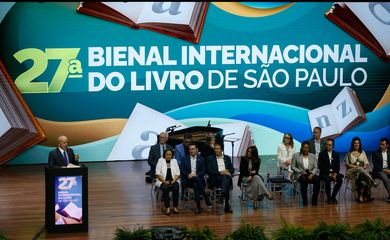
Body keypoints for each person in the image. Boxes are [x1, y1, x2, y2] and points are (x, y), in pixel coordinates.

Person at [238, 146, 273, 210]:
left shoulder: (257, 160)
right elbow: (242, 171)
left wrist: (251, 175)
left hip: (253, 177)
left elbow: (256, 171)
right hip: (244, 177)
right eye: (248, 151)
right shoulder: (243, 159)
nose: (248, 153)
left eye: (250, 152)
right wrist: (251, 173)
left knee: (256, 179)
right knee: (257, 178)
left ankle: (255, 201)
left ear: (254, 153)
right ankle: (266, 193)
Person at [180, 143, 212, 214]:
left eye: (193, 149)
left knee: (196, 184)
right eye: (190, 149)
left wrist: (195, 175)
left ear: (197, 150)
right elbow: (182, 170)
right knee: (195, 181)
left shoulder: (202, 159)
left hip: (198, 179)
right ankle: (205, 196)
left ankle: (198, 206)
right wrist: (189, 175)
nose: (191, 151)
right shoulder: (184, 159)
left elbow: (203, 171)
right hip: (188, 180)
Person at [345, 136, 375, 203]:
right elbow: (347, 165)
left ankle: (361, 196)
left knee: (362, 175)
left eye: (358, 143)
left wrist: (363, 167)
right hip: (352, 172)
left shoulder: (363, 152)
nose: (356, 144)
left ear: (360, 144)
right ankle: (372, 182)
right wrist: (357, 167)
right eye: (355, 143)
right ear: (353, 144)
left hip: (362, 172)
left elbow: (366, 163)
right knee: (360, 170)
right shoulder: (349, 154)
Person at [206, 143, 234, 213]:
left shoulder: (227, 158)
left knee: (226, 179)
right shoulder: (210, 158)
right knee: (226, 179)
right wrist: (220, 172)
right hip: (215, 178)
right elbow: (209, 171)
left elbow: (232, 169)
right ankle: (227, 205)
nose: (216, 150)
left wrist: (227, 170)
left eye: (218, 149)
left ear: (221, 150)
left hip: (225, 178)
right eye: (215, 149)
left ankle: (222, 196)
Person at [291, 141, 320, 206]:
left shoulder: (313, 156)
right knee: (304, 179)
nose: (305, 149)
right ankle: (305, 201)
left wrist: (312, 174)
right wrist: (300, 171)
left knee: (317, 179)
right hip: (300, 174)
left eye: (307, 148)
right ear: (301, 147)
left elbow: (316, 167)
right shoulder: (296, 155)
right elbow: (292, 166)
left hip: (310, 173)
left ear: (309, 148)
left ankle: (314, 200)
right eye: (304, 147)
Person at [155, 149, 181, 216]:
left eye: (170, 154)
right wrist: (164, 181)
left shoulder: (174, 161)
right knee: (165, 188)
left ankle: (175, 207)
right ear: (164, 155)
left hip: (173, 180)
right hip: (162, 181)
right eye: (167, 154)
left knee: (176, 187)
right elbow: (157, 173)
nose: (169, 156)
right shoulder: (160, 160)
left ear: (172, 155)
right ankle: (168, 208)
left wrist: (174, 181)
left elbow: (178, 173)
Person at [318, 139, 343, 204]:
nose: (328, 146)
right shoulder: (321, 154)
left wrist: (335, 174)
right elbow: (321, 167)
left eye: (330, 145)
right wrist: (329, 174)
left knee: (340, 180)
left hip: (334, 173)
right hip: (324, 173)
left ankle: (333, 197)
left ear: (333, 146)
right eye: (327, 144)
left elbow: (338, 166)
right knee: (327, 180)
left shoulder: (336, 154)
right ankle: (329, 198)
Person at [371, 137, 390, 203]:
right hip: (378, 171)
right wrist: (385, 170)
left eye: (383, 144)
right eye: (380, 144)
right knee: (385, 177)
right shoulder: (375, 153)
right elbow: (376, 166)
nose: (381, 146)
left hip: (388, 170)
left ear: (387, 145)